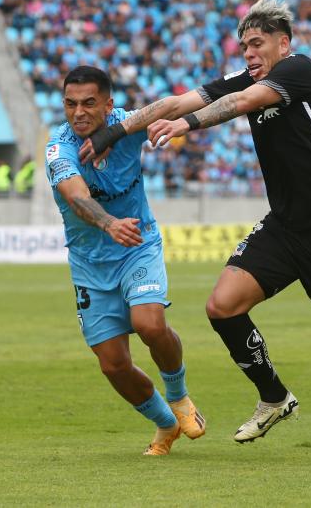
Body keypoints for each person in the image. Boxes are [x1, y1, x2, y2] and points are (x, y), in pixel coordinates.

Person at [80, 0, 311, 458]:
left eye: (257, 44)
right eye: (244, 47)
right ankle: (274, 397)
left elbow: (240, 103)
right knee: (222, 307)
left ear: (283, 43)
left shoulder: (300, 71)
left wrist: (183, 126)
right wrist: (113, 132)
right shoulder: (246, 77)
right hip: (284, 228)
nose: (250, 53)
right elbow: (178, 100)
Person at [44, 66, 206, 456]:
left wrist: (124, 130)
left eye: (89, 103)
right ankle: (166, 424)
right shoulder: (59, 148)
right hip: (90, 262)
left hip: (138, 245)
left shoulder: (126, 124)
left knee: (149, 323)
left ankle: (179, 397)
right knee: (113, 364)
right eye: (70, 104)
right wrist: (108, 223)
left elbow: (169, 105)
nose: (78, 112)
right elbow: (76, 195)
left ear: (108, 105)